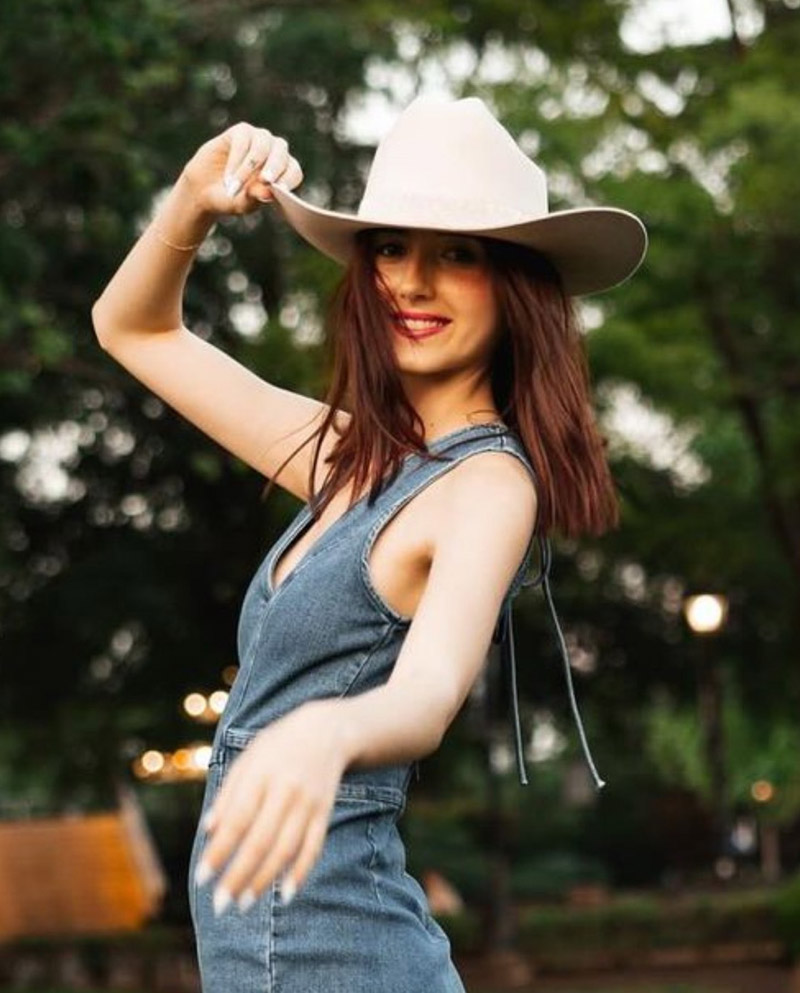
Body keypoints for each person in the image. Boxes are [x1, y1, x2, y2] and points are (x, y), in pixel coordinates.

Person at [91, 94, 646, 992]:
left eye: (456, 254)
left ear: (516, 288)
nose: (411, 282)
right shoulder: (351, 458)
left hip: (337, 957)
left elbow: (426, 695)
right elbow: (134, 329)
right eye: (390, 247)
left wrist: (328, 730)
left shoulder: (489, 484)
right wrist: (193, 199)